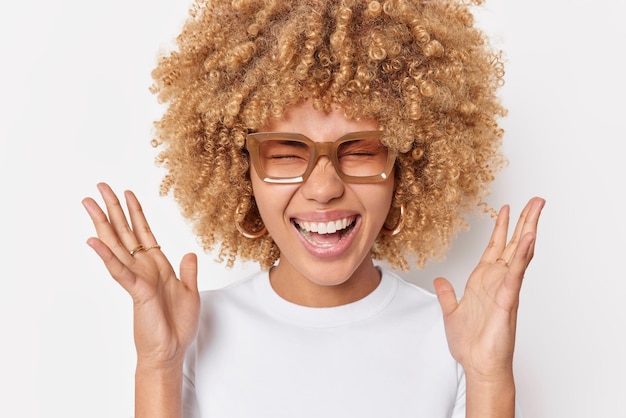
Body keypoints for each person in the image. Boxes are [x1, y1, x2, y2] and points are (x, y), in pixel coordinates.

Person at [82, 0, 545, 417]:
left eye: (360, 151)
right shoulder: (191, 332)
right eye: (285, 154)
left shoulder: (455, 338)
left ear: (405, 168)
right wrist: (159, 366)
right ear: (242, 174)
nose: (324, 188)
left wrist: (488, 377)